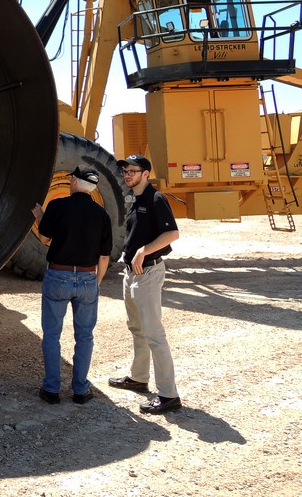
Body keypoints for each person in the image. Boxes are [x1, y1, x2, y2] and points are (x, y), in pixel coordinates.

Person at [31, 165, 112, 405]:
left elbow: (45, 238)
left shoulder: (57, 207)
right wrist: (95, 282)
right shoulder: (102, 215)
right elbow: (104, 257)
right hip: (87, 277)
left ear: (74, 182)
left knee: (52, 334)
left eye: (71, 179)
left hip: (58, 275)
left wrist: (40, 217)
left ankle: (52, 390)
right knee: (85, 336)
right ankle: (80, 390)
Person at [108, 154, 182, 414]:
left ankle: (169, 395)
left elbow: (173, 233)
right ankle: (139, 378)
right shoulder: (134, 199)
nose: (127, 174)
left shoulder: (156, 199)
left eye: (132, 171)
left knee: (154, 334)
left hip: (148, 272)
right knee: (137, 328)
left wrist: (143, 250)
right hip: (132, 273)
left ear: (146, 173)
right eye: (125, 171)